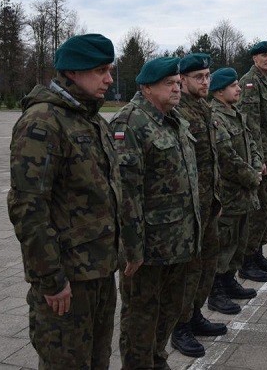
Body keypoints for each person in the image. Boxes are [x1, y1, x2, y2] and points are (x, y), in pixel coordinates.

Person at [8, 34, 122, 369]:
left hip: (100, 270)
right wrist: (51, 279)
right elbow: (28, 208)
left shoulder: (92, 120)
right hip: (69, 279)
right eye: (100, 70)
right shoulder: (43, 121)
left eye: (109, 70)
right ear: (73, 71)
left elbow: (108, 193)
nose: (109, 79)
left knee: (98, 360)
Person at [111, 57, 202, 369]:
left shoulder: (173, 119)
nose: (177, 88)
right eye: (169, 83)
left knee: (169, 309)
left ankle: (156, 358)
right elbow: (126, 193)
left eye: (177, 83)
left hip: (178, 240)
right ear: (147, 88)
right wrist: (132, 249)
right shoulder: (130, 123)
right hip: (148, 248)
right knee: (141, 316)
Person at [170, 53, 226, 358]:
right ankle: (179, 327)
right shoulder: (178, 111)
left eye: (207, 76)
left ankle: (194, 314)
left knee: (207, 263)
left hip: (209, 203)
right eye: (199, 77)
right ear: (183, 80)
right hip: (190, 208)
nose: (205, 82)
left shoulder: (204, 108)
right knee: (189, 271)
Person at [208, 67, 264, 313]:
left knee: (239, 242)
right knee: (224, 244)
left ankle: (229, 281)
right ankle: (216, 291)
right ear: (219, 91)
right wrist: (252, 176)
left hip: (244, 193)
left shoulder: (235, 113)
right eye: (233, 86)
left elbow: (251, 143)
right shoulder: (215, 117)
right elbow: (226, 158)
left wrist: (257, 165)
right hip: (229, 194)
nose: (239, 88)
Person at [238, 40, 267, 281]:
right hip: (261, 158)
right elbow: (250, 124)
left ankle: (258, 253)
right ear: (254, 58)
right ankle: (247, 261)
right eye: (264, 55)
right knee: (258, 211)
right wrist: (258, 159)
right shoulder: (250, 82)